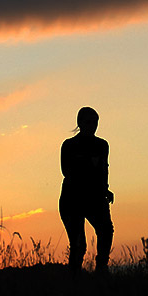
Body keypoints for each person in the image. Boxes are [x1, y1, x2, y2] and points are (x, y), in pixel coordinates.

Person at [60, 106, 113, 275]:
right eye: (89, 122)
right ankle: (74, 277)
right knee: (78, 244)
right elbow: (67, 171)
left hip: (95, 197)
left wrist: (105, 189)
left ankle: (101, 269)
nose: (92, 126)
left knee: (106, 231)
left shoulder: (102, 145)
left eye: (95, 122)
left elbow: (103, 170)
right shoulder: (68, 145)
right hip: (72, 199)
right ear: (80, 123)